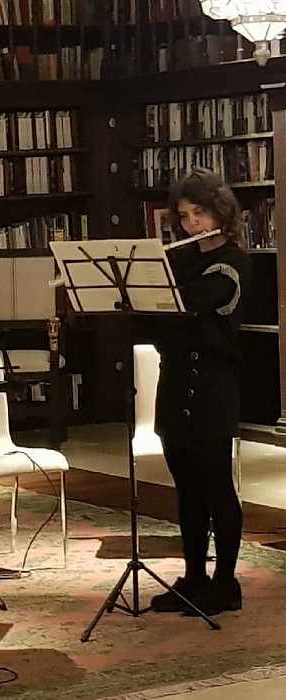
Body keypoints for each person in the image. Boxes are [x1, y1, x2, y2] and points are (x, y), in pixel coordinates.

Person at [147, 168, 250, 616]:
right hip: (174, 385)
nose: (193, 225)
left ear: (220, 212)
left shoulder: (232, 260)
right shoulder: (178, 260)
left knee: (216, 486)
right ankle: (193, 577)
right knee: (186, 487)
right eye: (186, 216)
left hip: (212, 387)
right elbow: (154, 318)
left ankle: (226, 583)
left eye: (201, 214)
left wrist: (159, 301)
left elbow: (188, 307)